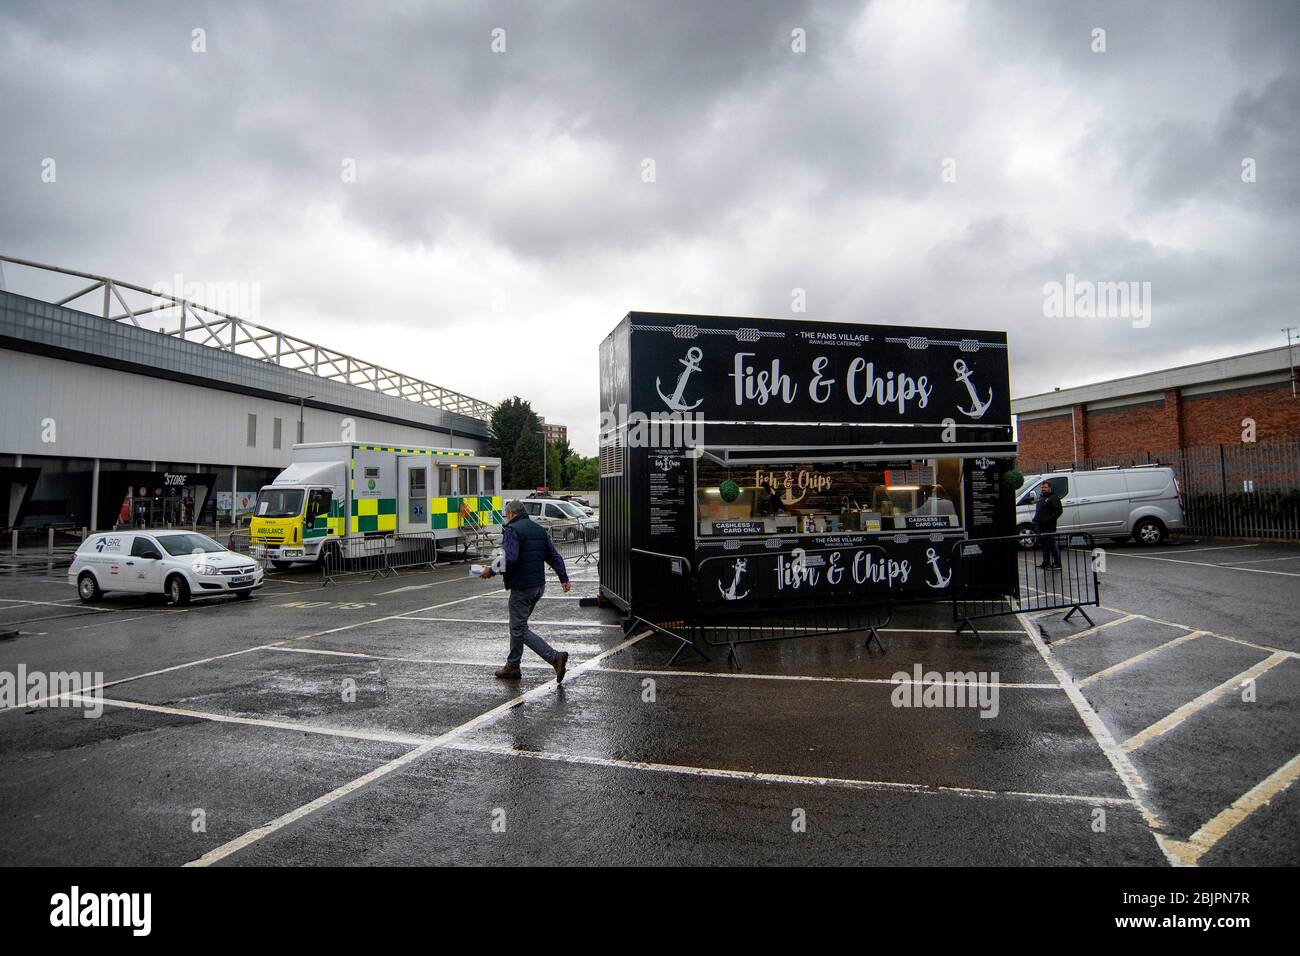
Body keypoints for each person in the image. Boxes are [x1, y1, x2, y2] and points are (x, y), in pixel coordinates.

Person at [480, 499, 572, 682]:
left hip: (522, 588)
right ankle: (513, 666)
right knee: (518, 626)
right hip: (538, 586)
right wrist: (564, 578)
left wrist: (490, 571)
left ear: (512, 514)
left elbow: (510, 558)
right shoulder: (538, 529)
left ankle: (554, 657)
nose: (506, 519)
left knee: (519, 628)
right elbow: (553, 555)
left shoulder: (512, 530)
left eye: (507, 515)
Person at [1032, 480, 1063, 569]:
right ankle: (1046, 562)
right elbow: (1039, 511)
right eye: (1042, 487)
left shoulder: (1053, 497)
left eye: (1045, 487)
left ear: (1049, 488)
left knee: (1051, 544)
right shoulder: (1041, 497)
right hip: (1040, 525)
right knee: (1044, 545)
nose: (1043, 489)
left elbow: (1058, 510)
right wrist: (1035, 520)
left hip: (1049, 526)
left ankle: (1057, 563)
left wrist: (1049, 519)